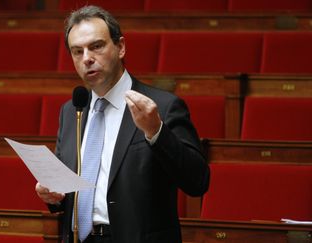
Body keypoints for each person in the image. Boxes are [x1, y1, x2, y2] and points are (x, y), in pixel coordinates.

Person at [35, 5, 210, 243]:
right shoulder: (72, 110)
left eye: (96, 46)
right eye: (78, 51)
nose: (87, 58)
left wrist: (156, 131)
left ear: (120, 47)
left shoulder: (162, 106)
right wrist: (55, 196)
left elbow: (197, 181)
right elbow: (73, 191)